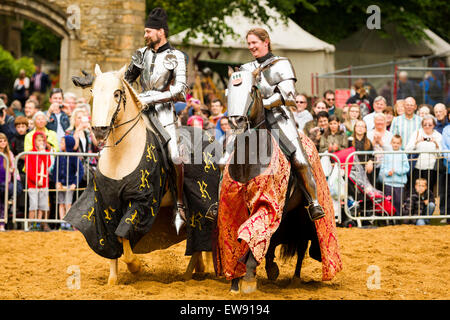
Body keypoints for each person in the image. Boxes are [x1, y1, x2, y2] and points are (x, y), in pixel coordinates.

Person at [238, 27, 325, 220]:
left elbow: (288, 96)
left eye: (254, 42)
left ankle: (313, 202)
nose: (251, 46)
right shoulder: (245, 69)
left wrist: (263, 105)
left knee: (299, 159)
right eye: (249, 43)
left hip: (279, 118)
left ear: (265, 41)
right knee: (228, 157)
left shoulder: (282, 64)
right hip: (251, 120)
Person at [122, 7, 189, 228]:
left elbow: (181, 90)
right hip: (139, 111)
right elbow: (127, 79)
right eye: (145, 31)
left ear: (161, 32)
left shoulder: (177, 56)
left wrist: (152, 98)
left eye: (149, 31)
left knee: (175, 155)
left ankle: (179, 203)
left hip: (164, 114)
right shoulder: (141, 53)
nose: (145, 35)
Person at [52, 135, 84, 230]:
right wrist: (57, 181)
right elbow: (55, 170)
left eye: (62, 142)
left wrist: (74, 183)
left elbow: (80, 171)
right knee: (61, 203)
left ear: (68, 145)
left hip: (70, 184)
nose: (60, 144)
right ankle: (62, 223)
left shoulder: (74, 157)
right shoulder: (59, 155)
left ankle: (68, 223)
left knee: (68, 203)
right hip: (60, 185)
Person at [405, 115, 442, 194]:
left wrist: (436, 143)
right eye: (425, 124)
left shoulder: (438, 136)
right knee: (414, 190)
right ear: (422, 125)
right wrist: (417, 141)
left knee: (428, 190)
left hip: (431, 168)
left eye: (430, 124)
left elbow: (441, 154)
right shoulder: (417, 133)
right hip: (416, 167)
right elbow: (407, 149)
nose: (427, 126)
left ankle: (427, 205)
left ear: (434, 125)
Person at [25, 131, 52, 232]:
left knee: (43, 205)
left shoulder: (45, 152)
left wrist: (43, 154)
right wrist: (36, 181)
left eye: (43, 140)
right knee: (33, 204)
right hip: (33, 184)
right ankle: (32, 223)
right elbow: (29, 169)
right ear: (34, 141)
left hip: (44, 184)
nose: (41, 142)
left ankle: (42, 223)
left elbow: (48, 164)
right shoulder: (30, 153)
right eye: (39, 140)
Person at [378, 135, 409, 221]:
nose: (395, 144)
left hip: (399, 184)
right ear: (391, 143)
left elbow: (407, 168)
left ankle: (398, 219)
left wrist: (397, 171)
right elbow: (382, 168)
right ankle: (389, 220)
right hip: (388, 183)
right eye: (394, 142)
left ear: (400, 144)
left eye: (398, 143)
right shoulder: (387, 154)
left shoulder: (403, 154)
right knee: (388, 203)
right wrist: (387, 173)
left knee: (398, 202)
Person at [0, 133, 15, 231]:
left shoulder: (9, 154)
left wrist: (12, 170)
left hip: (5, 183)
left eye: (4, 141)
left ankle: (1, 224)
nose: (3, 143)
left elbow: (13, 168)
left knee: (2, 204)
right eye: (0, 141)